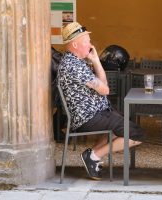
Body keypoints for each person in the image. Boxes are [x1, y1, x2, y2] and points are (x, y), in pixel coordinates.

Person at [57, 22, 144, 180]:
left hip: (97, 112)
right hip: (88, 117)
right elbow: (105, 90)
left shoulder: (75, 61)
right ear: (75, 44)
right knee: (136, 134)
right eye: (87, 42)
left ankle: (92, 156)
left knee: (124, 122)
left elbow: (103, 86)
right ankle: (95, 156)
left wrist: (96, 61)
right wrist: (96, 64)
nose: (90, 45)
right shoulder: (74, 66)